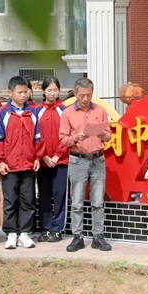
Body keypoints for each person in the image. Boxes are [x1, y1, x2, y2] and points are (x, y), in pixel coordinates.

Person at [59, 78, 112, 252]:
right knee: (77, 202)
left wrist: (103, 134)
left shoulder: (100, 110)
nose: (85, 99)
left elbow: (109, 136)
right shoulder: (67, 113)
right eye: (82, 95)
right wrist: (75, 138)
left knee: (98, 201)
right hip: (78, 159)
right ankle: (77, 237)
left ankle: (98, 236)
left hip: (97, 159)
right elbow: (63, 139)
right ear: (75, 94)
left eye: (88, 95)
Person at [0, 76, 41, 250]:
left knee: (28, 200)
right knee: (10, 200)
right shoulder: (3, 113)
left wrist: (37, 157)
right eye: (19, 92)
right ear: (10, 92)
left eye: (26, 92)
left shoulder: (32, 112)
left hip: (28, 164)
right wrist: (0, 161)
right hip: (9, 165)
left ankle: (25, 233)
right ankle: (11, 233)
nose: (23, 95)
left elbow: (38, 138)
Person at [36, 77, 68, 243]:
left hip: (61, 161)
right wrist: (44, 155)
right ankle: (46, 227)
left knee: (60, 195)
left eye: (55, 90)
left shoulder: (65, 111)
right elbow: (34, 136)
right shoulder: (36, 111)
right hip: (42, 162)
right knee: (44, 195)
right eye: (49, 90)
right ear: (43, 91)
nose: (52, 93)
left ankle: (57, 229)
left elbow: (68, 135)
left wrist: (57, 155)